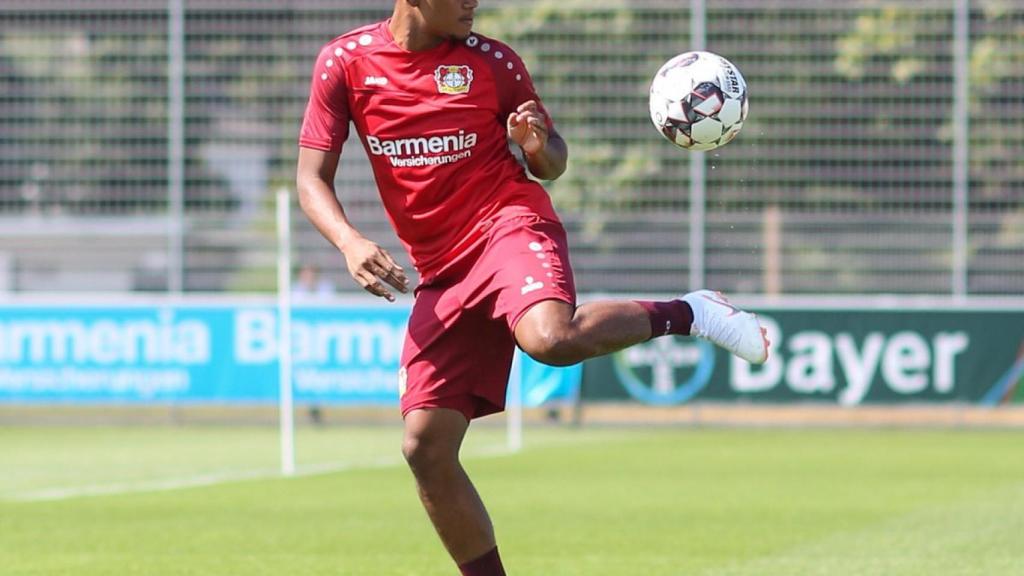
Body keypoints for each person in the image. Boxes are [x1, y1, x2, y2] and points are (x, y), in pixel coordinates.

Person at [296, 2, 769, 574]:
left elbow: (554, 164)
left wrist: (536, 142)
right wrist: (349, 241)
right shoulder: (343, 63)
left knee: (549, 338)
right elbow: (310, 178)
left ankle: (692, 313)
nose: (475, 1)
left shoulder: (493, 62)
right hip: (441, 270)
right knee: (425, 447)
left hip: (508, 225)